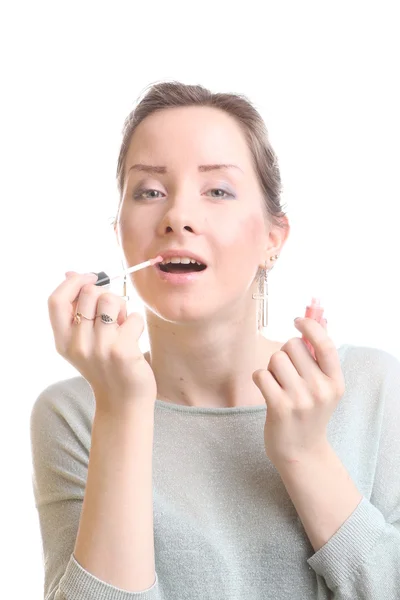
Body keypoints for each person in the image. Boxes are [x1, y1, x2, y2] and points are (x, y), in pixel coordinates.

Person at [30, 81, 400, 600]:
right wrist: (121, 409)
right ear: (119, 234)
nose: (177, 216)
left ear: (273, 239)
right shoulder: (74, 414)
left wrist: (305, 454)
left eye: (217, 190)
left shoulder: (369, 388)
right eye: (150, 192)